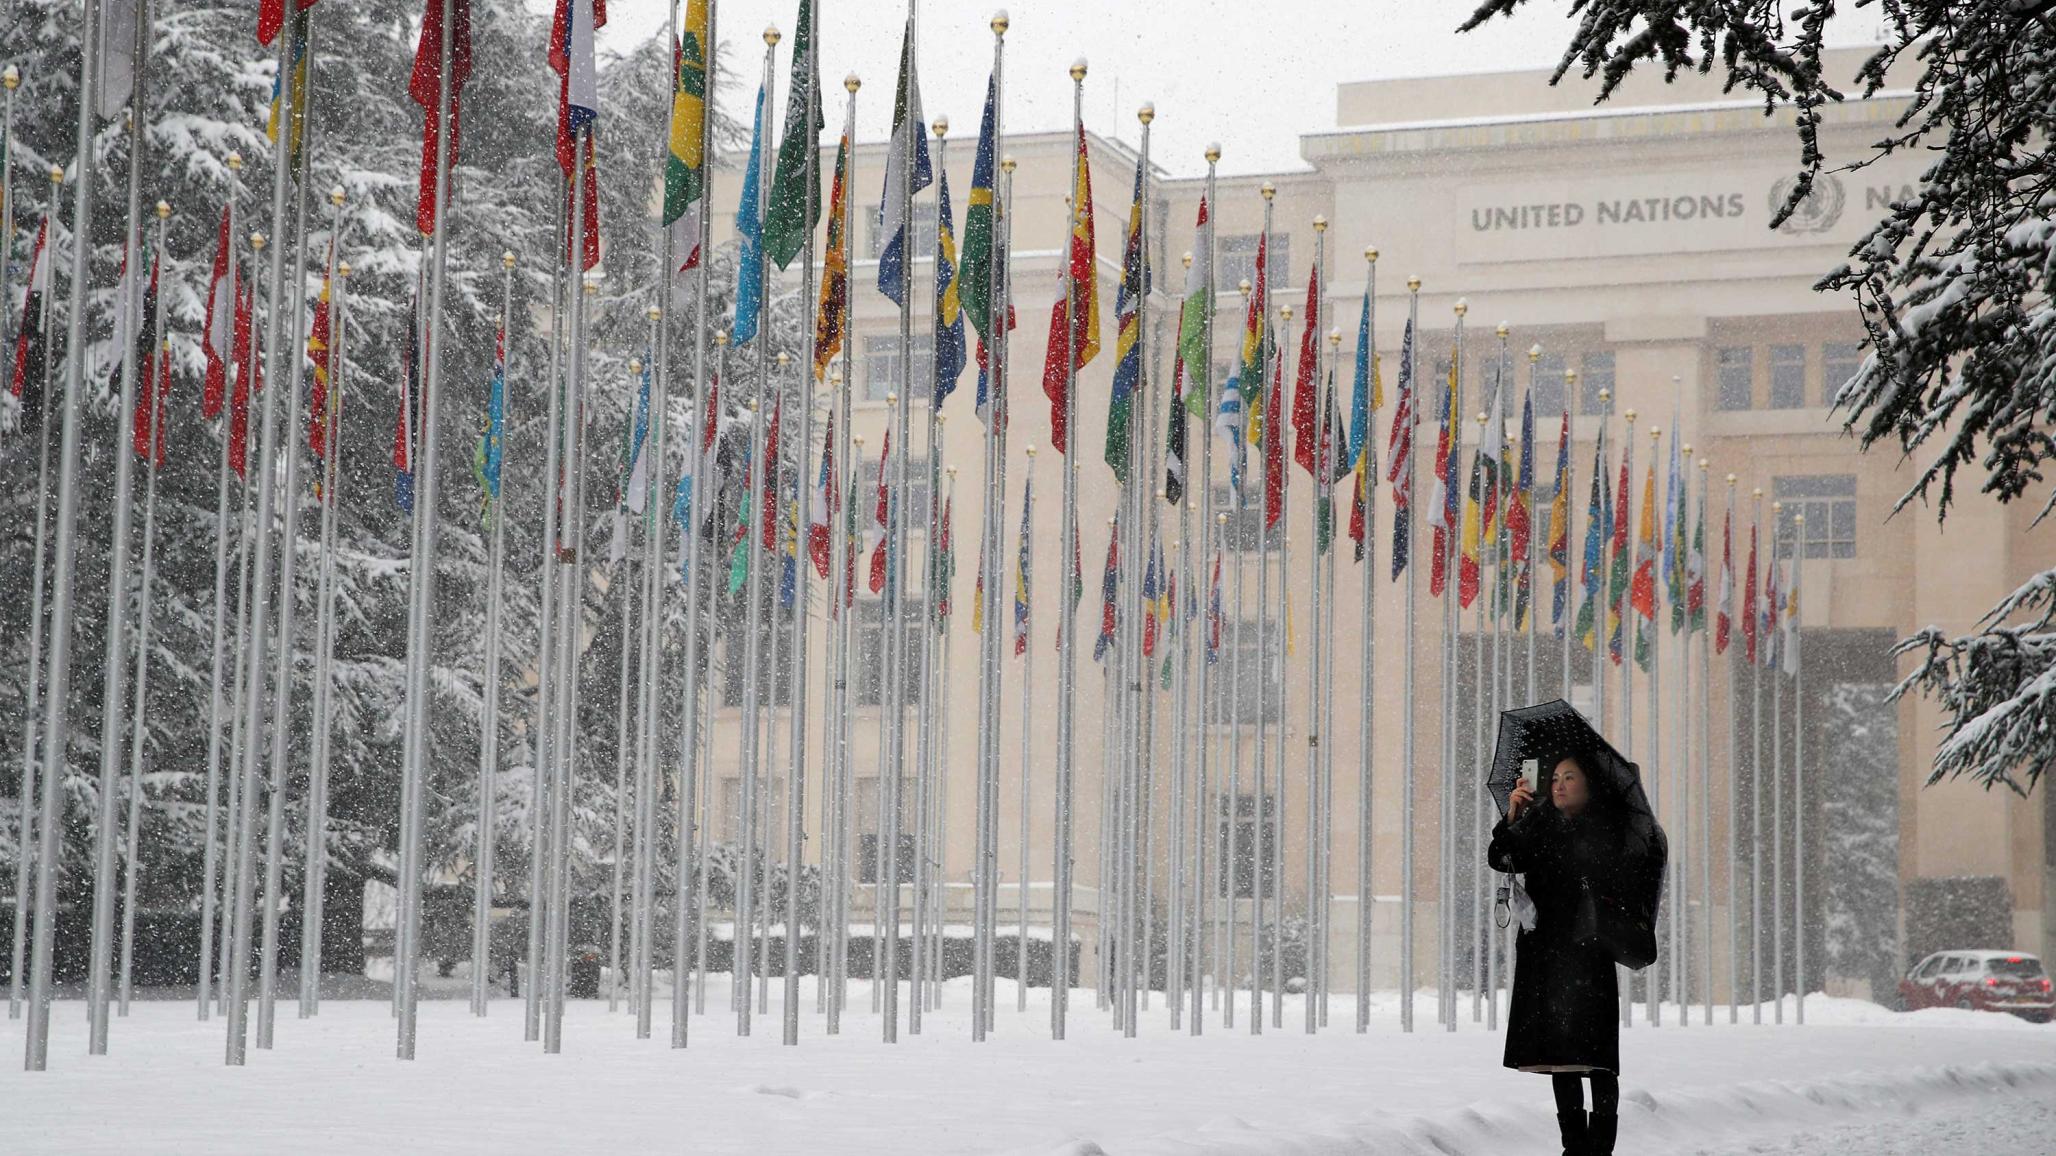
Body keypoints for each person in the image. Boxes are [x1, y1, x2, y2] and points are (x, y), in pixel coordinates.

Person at [1489, 752, 1639, 1156]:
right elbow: (1501, 859)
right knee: (1562, 1057)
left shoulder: (1607, 827)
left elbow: (1616, 876)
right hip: (1546, 952)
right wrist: (1514, 815)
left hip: (1588, 952)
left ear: (1588, 787)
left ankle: (1600, 1147)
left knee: (1598, 1058)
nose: (1558, 784)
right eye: (1554, 777)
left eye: (1570, 777)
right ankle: (1574, 1148)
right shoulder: (1537, 823)